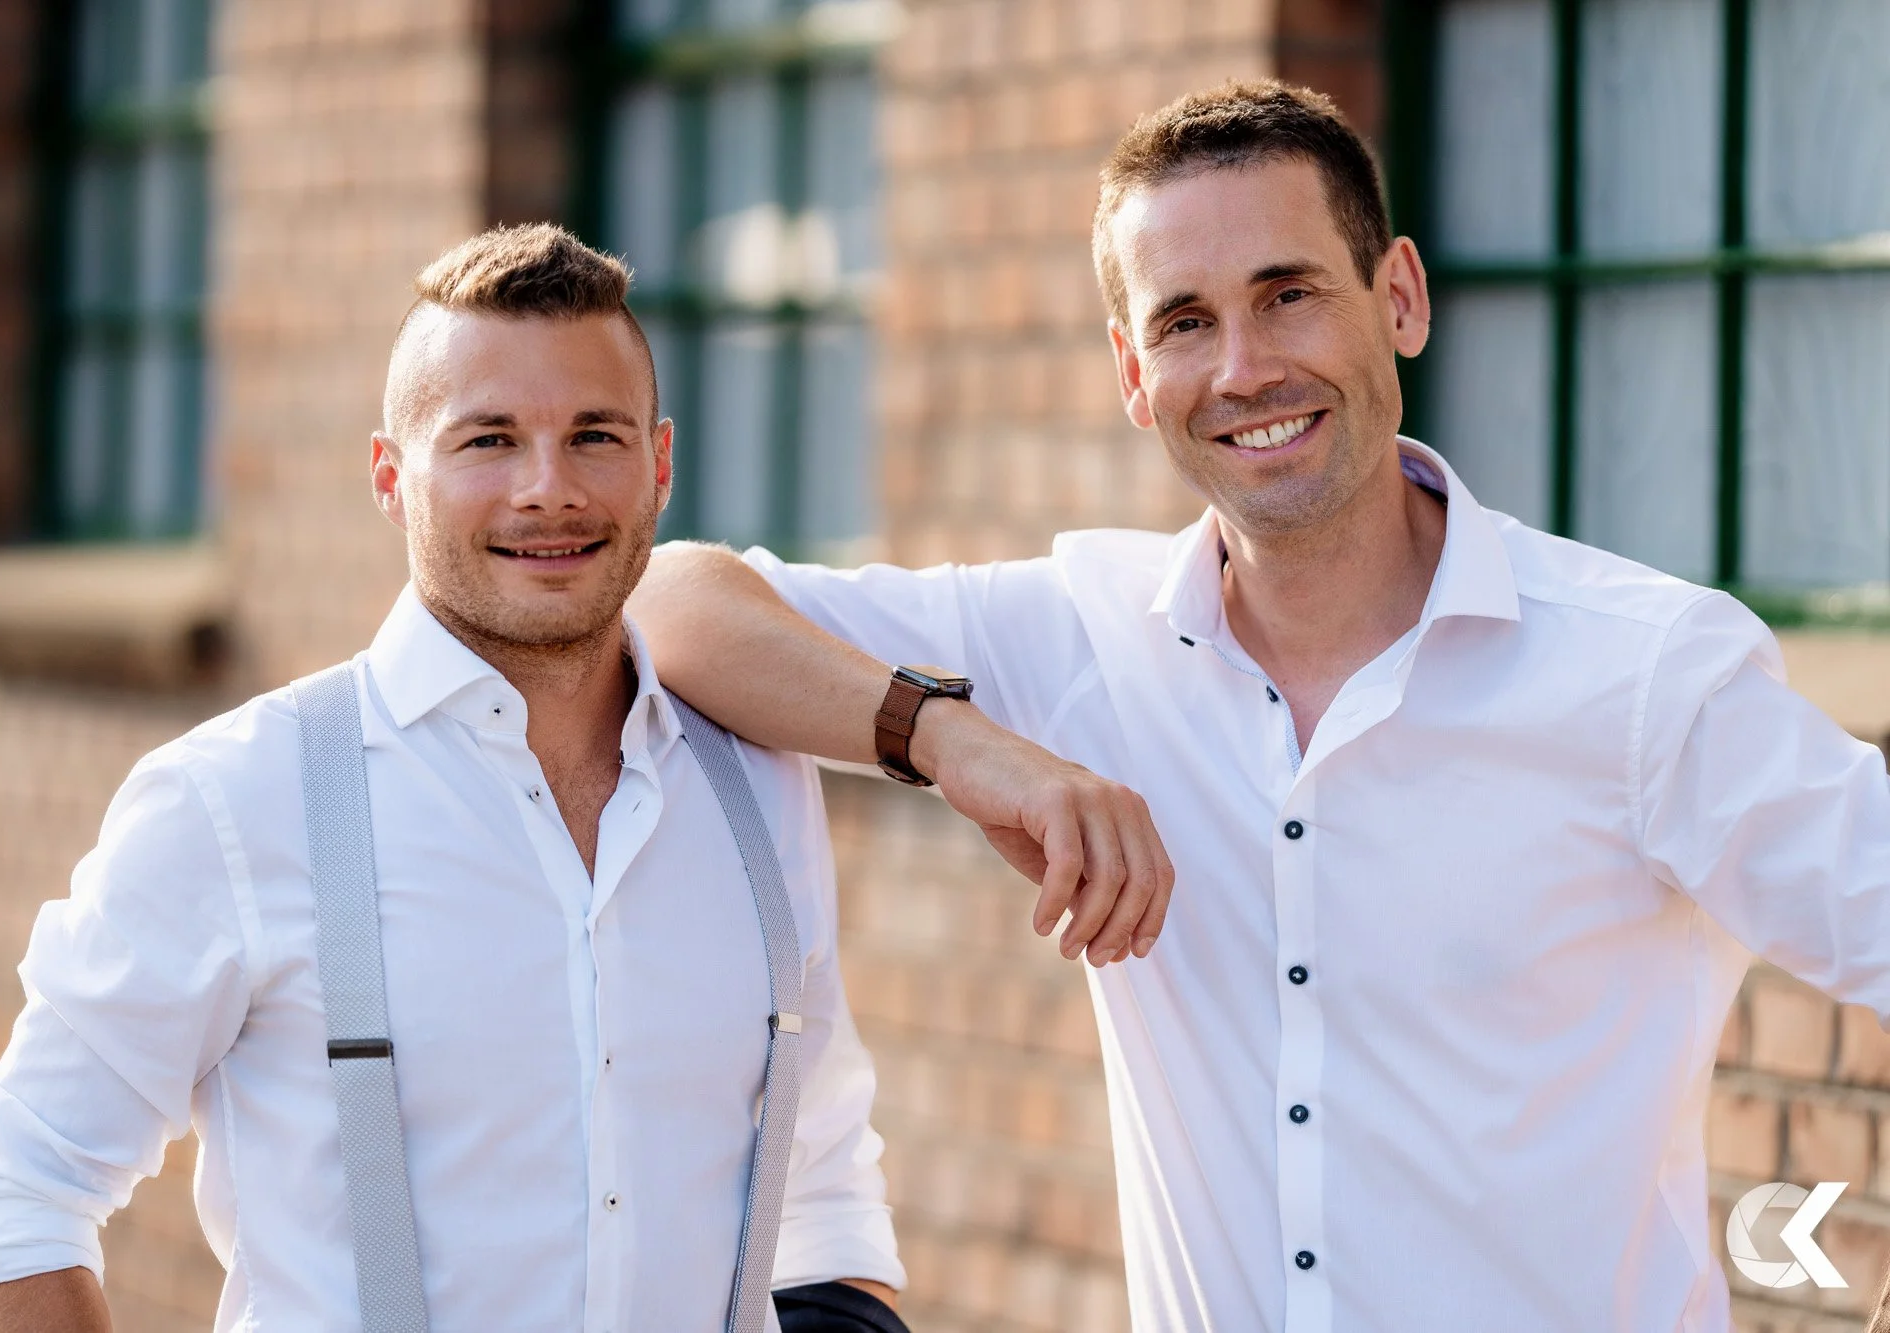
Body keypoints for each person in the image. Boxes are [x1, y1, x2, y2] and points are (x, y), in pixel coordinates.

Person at [629, 81, 1890, 1331]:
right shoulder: (1077, 633)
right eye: (1183, 322)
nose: (1242, 368)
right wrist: (952, 739)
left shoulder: (1646, 676)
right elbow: (667, 602)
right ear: (1133, 372)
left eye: (1287, 294)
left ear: (1396, 297)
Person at [0, 224, 1166, 1332]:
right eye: (487, 441)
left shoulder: (752, 790)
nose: (547, 488)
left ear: (659, 465)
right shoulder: (233, 804)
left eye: (593, 436)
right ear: (388, 474)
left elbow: (819, 1179)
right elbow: (15, 1198)